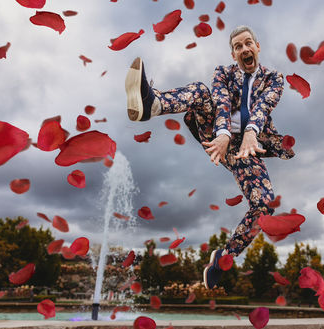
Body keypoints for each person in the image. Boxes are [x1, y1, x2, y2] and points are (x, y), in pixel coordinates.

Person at [125, 25, 294, 289]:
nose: (244, 49)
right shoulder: (223, 73)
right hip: (216, 131)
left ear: (257, 47)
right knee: (201, 92)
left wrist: (251, 131)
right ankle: (153, 104)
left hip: (248, 146)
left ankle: (224, 257)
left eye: (248, 43)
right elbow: (222, 100)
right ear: (233, 54)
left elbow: (264, 105)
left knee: (265, 204)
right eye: (238, 47)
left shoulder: (274, 78)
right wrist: (223, 132)